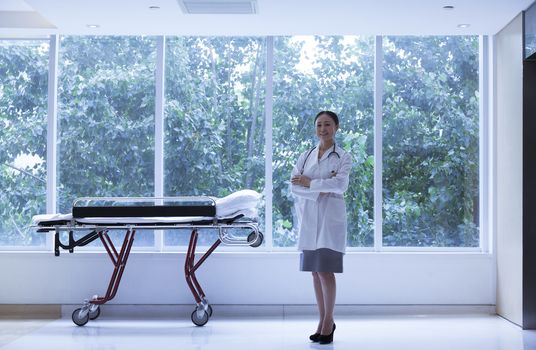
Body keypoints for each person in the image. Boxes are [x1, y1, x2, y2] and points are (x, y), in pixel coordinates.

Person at [290, 110, 352, 345]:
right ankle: (322, 321)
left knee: (326, 272)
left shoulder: (343, 156)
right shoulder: (305, 156)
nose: (323, 129)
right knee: (315, 273)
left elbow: (341, 185)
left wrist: (310, 183)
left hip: (330, 221)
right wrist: (321, 188)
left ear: (336, 127)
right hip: (309, 219)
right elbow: (294, 186)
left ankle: (329, 322)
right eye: (319, 125)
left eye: (327, 124)